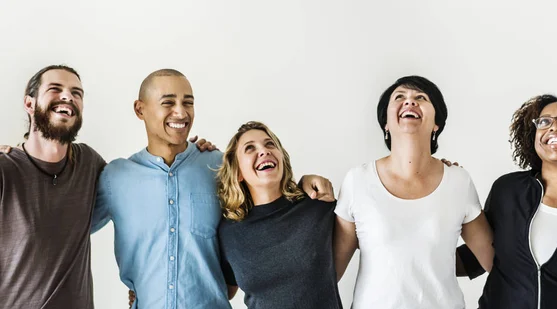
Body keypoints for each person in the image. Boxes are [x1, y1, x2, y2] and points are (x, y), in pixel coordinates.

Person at [91, 70, 335, 309]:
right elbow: (71, 235)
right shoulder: (116, 178)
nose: (181, 111)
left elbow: (270, 197)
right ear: (140, 109)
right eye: (168, 102)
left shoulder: (218, 165)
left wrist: (304, 185)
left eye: (188, 102)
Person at [333, 75, 494, 309]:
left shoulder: (458, 181)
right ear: (385, 123)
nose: (409, 102)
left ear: (436, 123)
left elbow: (495, 262)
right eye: (399, 97)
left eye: (421, 97)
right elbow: (331, 272)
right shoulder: (357, 181)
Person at [457, 95, 557, 308]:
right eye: (544, 122)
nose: (554, 127)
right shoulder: (507, 190)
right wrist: (442, 188)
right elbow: (477, 257)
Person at [0, 65, 105, 308]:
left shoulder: (89, 163)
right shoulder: (5, 171)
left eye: (76, 93)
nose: (68, 96)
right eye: (55, 89)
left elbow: (140, 182)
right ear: (29, 104)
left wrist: (189, 151)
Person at [216, 121, 342, 309]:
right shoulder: (229, 232)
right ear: (238, 172)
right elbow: (224, 290)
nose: (264, 151)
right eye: (250, 148)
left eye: (270, 144)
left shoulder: (318, 204)